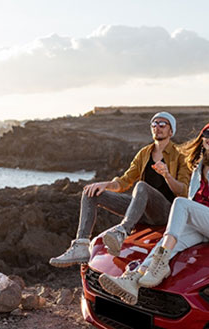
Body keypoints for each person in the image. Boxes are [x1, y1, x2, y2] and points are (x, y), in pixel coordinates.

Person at [99, 119, 209, 305]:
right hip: (202, 223)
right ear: (202, 139)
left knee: (180, 203)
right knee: (169, 240)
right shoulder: (198, 167)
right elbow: (194, 200)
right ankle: (133, 279)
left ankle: (161, 264)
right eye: (207, 134)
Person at [49, 112, 191, 267]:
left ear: (171, 131)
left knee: (142, 186)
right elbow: (124, 182)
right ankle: (81, 245)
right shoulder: (144, 153)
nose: (158, 127)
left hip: (166, 212)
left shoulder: (180, 156)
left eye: (163, 124)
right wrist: (105, 185)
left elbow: (183, 191)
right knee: (90, 193)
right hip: (142, 211)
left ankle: (122, 231)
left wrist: (167, 175)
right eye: (154, 124)